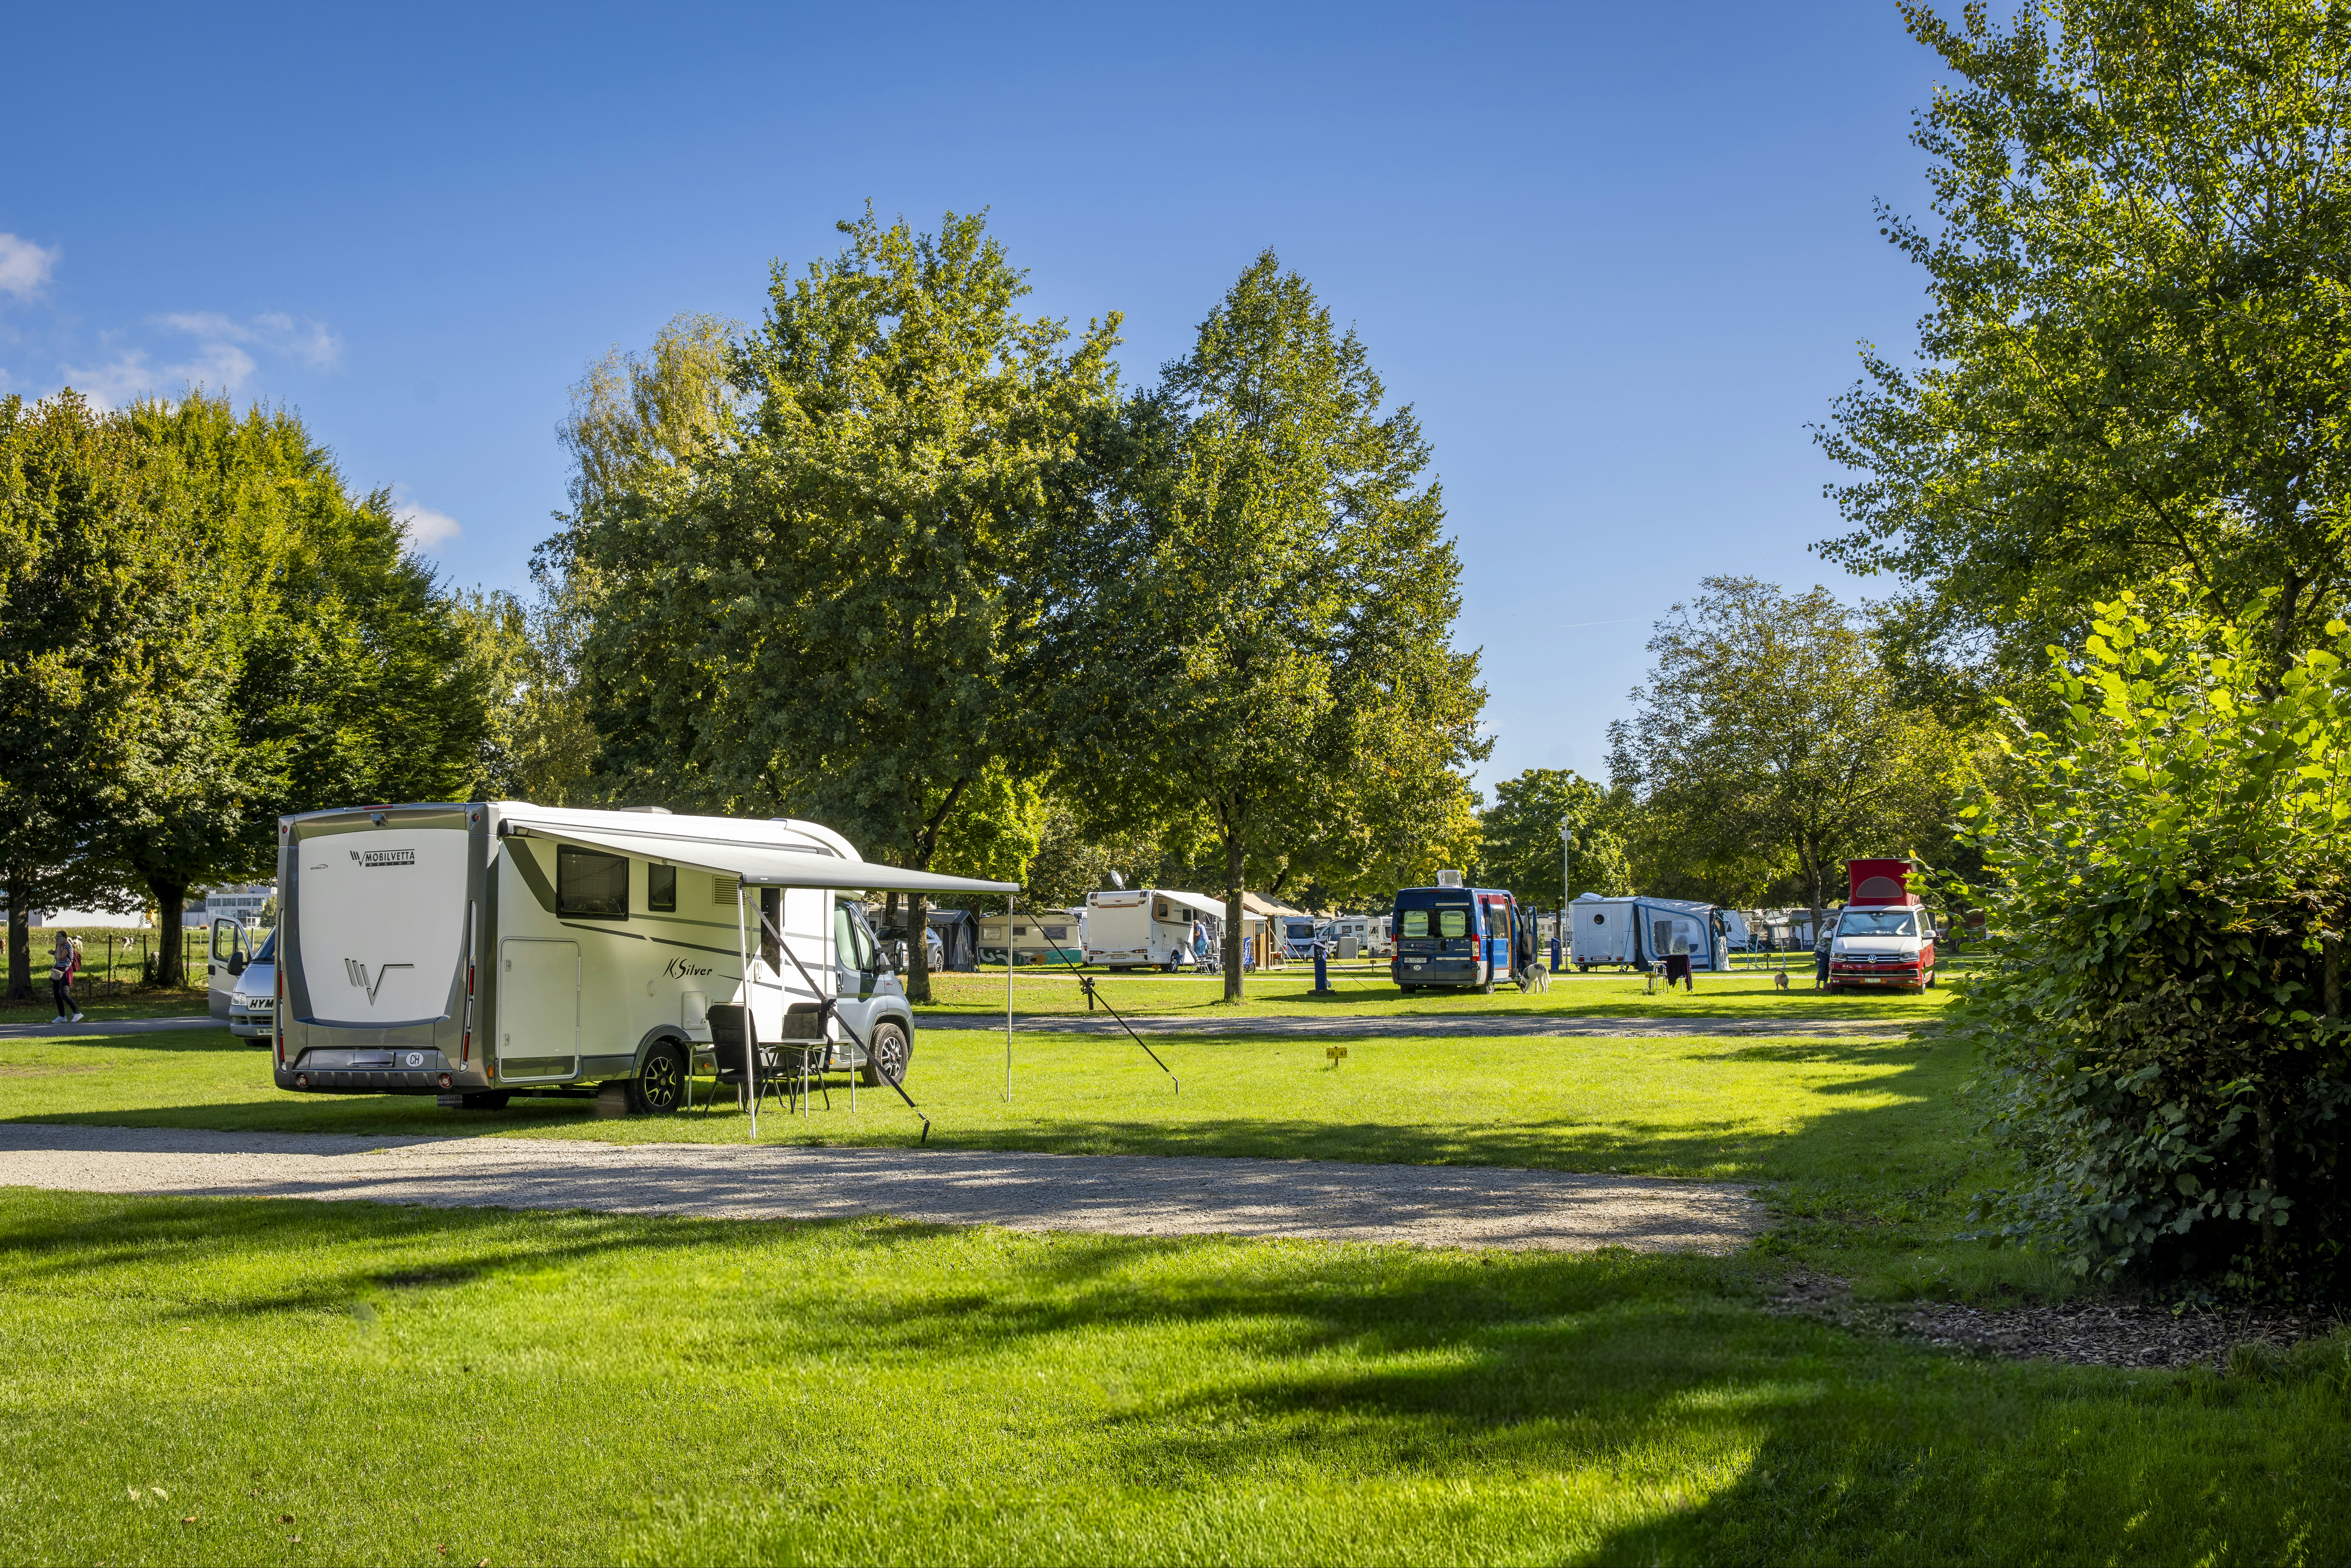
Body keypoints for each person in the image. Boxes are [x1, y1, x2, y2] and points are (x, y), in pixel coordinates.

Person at [49, 932, 84, 1024]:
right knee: (56, 993)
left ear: (65, 938)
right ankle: (62, 1016)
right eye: (56, 936)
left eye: (59, 937)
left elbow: (60, 958)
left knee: (64, 994)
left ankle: (77, 1013)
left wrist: (60, 946)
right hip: (58, 971)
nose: (57, 938)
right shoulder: (59, 946)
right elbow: (58, 956)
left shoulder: (68, 947)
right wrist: (53, 952)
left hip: (66, 971)